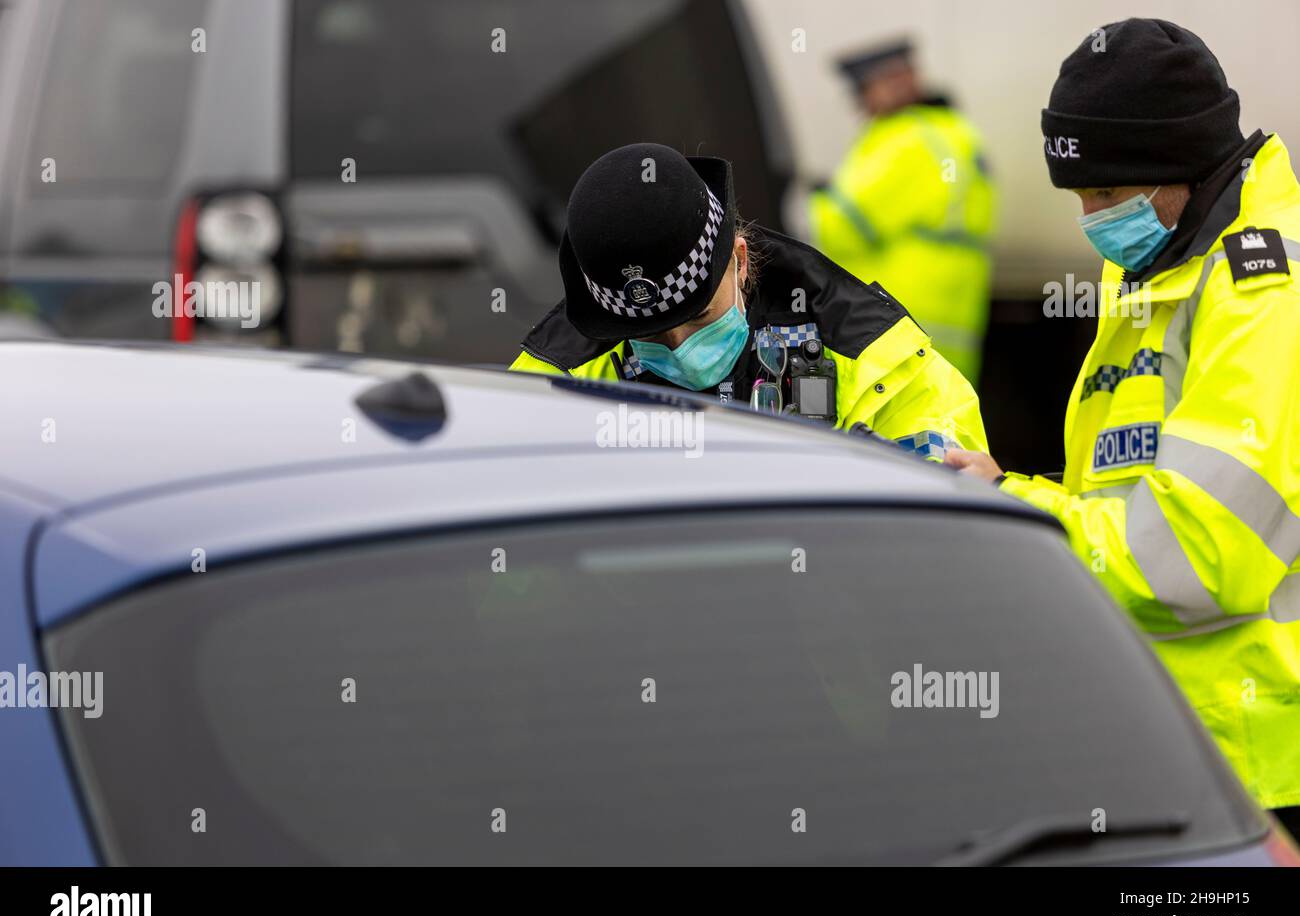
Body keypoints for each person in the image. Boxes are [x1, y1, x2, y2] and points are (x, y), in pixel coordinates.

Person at [945, 19, 1300, 829]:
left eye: (1107, 193)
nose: (1092, 217)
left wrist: (1017, 515)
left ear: (1179, 163)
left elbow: (1195, 559)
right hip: (1175, 743)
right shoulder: (1162, 263)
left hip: (1259, 770)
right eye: (1080, 195)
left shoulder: (1260, 293)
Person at [510, 142, 987, 458]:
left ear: (740, 260)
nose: (678, 348)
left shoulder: (871, 360)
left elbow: (945, 523)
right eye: (647, 333)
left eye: (698, 316)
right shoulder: (550, 386)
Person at [809, 40, 996, 384]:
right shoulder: (952, 130)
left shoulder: (907, 137)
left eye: (866, 89)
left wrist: (813, 198)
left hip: (895, 325)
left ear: (899, 80)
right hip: (945, 327)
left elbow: (843, 226)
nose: (862, 104)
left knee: (884, 433)